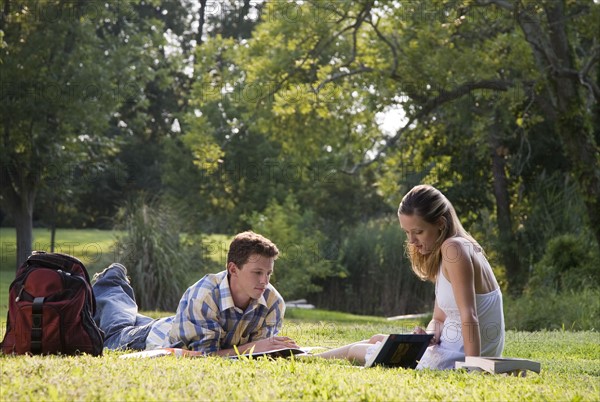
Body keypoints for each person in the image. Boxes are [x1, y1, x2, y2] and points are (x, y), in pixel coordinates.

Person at [315, 184, 505, 369]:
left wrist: (474, 369)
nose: (412, 241)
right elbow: (438, 319)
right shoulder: (453, 249)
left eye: (418, 232)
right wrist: (428, 337)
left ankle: (307, 358)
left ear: (440, 223)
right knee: (376, 339)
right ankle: (308, 356)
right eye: (407, 233)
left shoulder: (453, 249)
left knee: (355, 351)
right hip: (448, 347)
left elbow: (469, 315)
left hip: (456, 357)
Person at [92, 230, 298, 356]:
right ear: (233, 269)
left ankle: (115, 283)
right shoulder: (205, 294)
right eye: (257, 273)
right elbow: (204, 356)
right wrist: (259, 347)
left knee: (130, 319)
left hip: (176, 324)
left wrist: (269, 348)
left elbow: (261, 352)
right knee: (114, 332)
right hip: (153, 338)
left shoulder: (273, 303)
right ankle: (111, 280)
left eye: (268, 273)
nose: (265, 281)